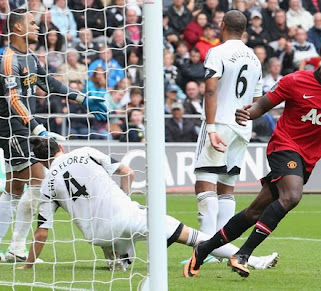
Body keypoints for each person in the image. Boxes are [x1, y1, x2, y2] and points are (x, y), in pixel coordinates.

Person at [184, 39, 321, 278]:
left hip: (308, 159)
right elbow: (263, 104)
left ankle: (204, 249)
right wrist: (248, 113)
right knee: (292, 196)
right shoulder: (295, 81)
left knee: (254, 211)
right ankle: (242, 254)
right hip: (284, 146)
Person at [17, 137, 279, 271]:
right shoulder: (84, 152)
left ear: (41, 163)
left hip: (97, 237)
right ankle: (252, 260)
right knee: (195, 237)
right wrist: (125, 196)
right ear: (60, 146)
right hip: (126, 217)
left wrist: (28, 265)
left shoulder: (47, 185)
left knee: (109, 233)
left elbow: (42, 232)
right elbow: (128, 173)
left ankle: (119, 259)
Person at [0, 9, 107, 262]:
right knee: (40, 180)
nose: (38, 27)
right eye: (32, 23)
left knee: (14, 189)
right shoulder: (8, 59)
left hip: (25, 127)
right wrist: (37, 128)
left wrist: (83, 99)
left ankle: (15, 248)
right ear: (17, 28)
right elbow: (12, 99)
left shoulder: (31, 58)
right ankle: (17, 247)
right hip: (13, 128)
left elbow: (49, 83)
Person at [193, 10, 263, 239]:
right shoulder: (254, 58)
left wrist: (211, 128)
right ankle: (219, 244)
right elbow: (256, 100)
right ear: (244, 30)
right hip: (242, 127)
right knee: (227, 186)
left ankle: (203, 245)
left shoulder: (217, 52)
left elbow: (211, 89)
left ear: (222, 26)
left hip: (220, 122)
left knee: (205, 180)